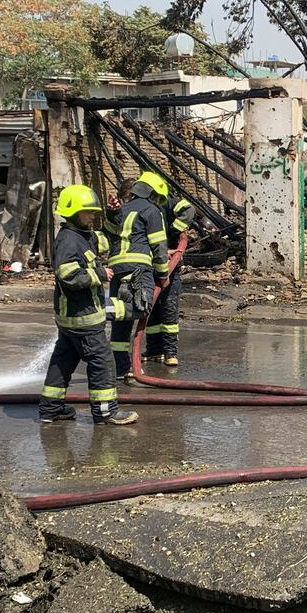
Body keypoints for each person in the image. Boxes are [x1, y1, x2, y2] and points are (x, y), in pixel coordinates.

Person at [39, 184, 136, 426]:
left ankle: (51, 409)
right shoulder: (69, 241)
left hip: (71, 316)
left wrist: (114, 214)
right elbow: (69, 277)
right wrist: (100, 274)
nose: (93, 216)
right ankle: (105, 412)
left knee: (63, 361)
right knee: (102, 361)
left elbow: (108, 239)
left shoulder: (84, 236)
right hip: (83, 317)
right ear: (73, 213)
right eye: (89, 212)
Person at [106, 172, 172, 379]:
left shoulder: (121, 210)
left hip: (117, 268)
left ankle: (122, 368)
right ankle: (103, 310)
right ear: (153, 194)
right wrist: (163, 273)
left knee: (121, 324)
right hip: (139, 267)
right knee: (141, 307)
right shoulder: (152, 211)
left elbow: (109, 235)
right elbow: (159, 245)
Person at [144, 197, 196, 367]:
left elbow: (189, 210)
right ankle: (154, 350)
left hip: (169, 268)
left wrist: (174, 230)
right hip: (150, 265)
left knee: (169, 309)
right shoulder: (143, 211)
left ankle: (170, 352)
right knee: (151, 311)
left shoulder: (168, 203)